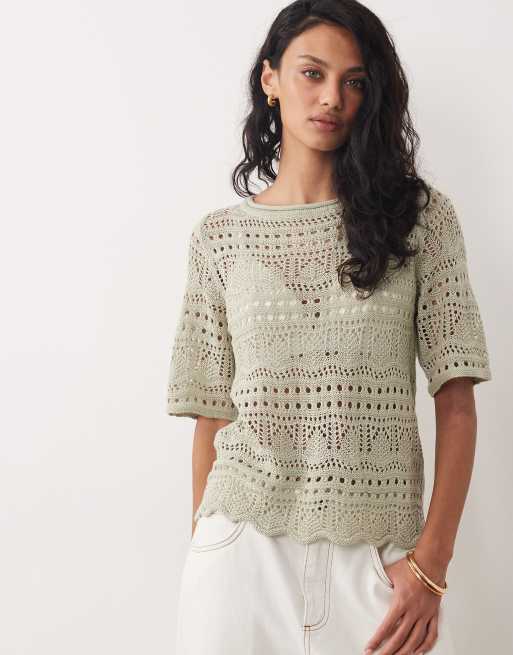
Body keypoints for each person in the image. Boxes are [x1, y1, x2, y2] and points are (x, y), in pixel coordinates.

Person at [166, 1, 492, 653]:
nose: (331, 98)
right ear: (270, 78)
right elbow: (211, 417)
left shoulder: (420, 222)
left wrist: (431, 564)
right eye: (311, 73)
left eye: (354, 81)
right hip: (241, 555)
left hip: (378, 562)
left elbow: (455, 402)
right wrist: (208, 544)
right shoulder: (219, 239)